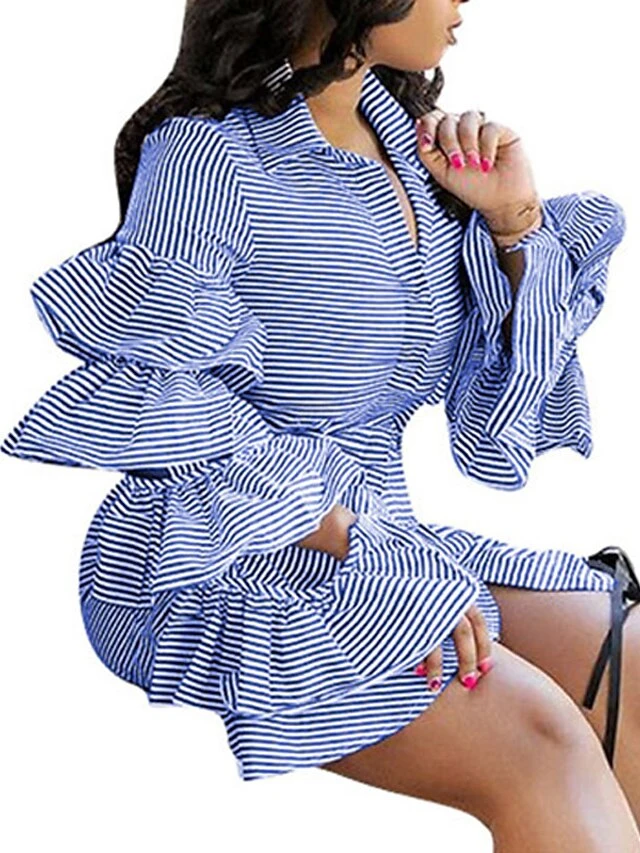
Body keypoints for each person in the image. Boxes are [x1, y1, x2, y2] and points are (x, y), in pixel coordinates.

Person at [3, 1, 640, 850]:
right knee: (541, 743)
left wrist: (511, 222)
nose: (465, 0)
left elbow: (495, 435)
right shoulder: (208, 159)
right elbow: (162, 400)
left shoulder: (415, 152)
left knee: (630, 657)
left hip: (382, 531)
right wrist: (356, 543)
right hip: (215, 551)